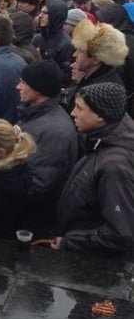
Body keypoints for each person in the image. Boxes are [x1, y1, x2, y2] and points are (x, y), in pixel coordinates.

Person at [51, 82, 134, 258]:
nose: (73, 113)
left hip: (88, 264)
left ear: (101, 117)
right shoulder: (99, 141)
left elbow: (120, 234)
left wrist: (70, 242)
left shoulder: (115, 166)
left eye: (80, 108)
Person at [15, 59, 78, 236]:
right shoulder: (34, 115)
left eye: (24, 82)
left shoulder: (55, 132)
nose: (18, 86)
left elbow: (41, 185)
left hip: (32, 222)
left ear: (39, 88)